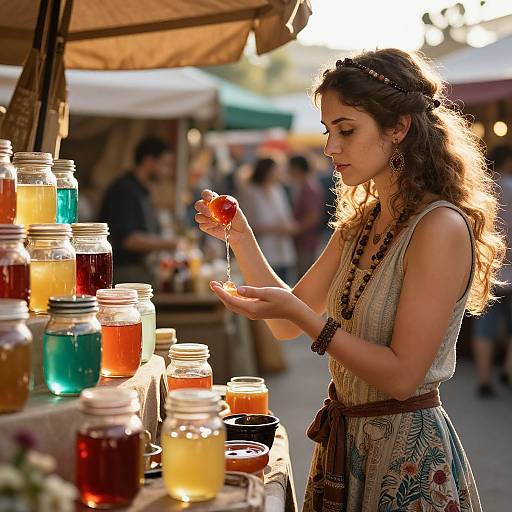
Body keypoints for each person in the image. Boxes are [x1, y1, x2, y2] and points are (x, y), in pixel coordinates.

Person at [195, 48, 506, 511]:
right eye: (327, 131)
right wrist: (241, 238)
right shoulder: (361, 224)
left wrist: (303, 317)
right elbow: (286, 320)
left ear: (399, 128)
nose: (329, 148)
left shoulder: (439, 227)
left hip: (407, 461)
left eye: (346, 130)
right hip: (345, 447)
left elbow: (402, 377)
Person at [100, 137, 176, 284]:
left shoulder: (141, 189)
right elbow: (129, 240)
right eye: (166, 164)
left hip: (139, 269)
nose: (169, 172)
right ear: (149, 161)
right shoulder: (125, 190)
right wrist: (171, 243)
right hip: (125, 272)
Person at [472, 144, 512, 397]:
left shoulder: (480, 190)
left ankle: (484, 377)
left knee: (484, 326)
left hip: (486, 268)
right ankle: (508, 367)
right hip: (510, 266)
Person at [238, 157, 297, 284]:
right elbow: (246, 225)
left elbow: (286, 217)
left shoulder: (278, 190)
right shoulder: (250, 192)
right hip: (263, 251)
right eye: (276, 170)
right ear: (266, 171)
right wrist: (276, 229)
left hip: (283, 250)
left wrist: (289, 227)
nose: (279, 173)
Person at [288, 155, 325, 278]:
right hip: (302, 242)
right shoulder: (303, 186)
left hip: (307, 243)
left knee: (304, 276)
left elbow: (313, 217)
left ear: (297, 169)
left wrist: (296, 229)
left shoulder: (310, 188)